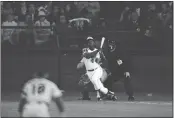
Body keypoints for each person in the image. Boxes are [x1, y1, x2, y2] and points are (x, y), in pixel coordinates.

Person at [77, 36, 117, 101]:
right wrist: (98, 51)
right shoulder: (85, 50)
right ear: (87, 43)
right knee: (97, 85)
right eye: (88, 42)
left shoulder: (97, 51)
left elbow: (99, 61)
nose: (90, 43)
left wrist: (100, 55)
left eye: (91, 41)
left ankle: (103, 94)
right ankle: (108, 93)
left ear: (93, 42)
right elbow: (88, 56)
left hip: (97, 70)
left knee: (95, 80)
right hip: (89, 72)